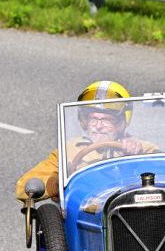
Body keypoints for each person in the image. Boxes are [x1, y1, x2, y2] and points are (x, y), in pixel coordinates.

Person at [15, 79, 157, 201]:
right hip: (87, 211)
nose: (98, 126)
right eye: (93, 119)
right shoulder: (69, 150)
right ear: (84, 121)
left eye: (107, 120)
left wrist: (137, 158)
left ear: (121, 122)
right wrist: (57, 183)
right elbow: (23, 188)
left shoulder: (142, 148)